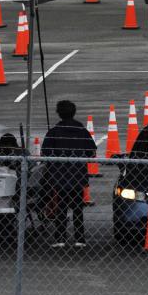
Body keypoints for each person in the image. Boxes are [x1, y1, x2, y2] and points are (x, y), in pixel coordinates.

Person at [41, 100, 97, 248]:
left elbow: (45, 153)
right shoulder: (82, 130)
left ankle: (60, 238)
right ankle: (80, 239)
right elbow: (92, 152)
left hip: (59, 176)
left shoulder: (54, 131)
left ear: (59, 113)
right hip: (78, 175)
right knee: (78, 208)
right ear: (74, 112)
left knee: (61, 207)